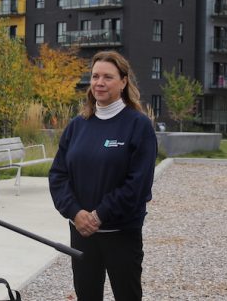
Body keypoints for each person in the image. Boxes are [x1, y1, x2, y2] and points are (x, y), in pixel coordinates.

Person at [48, 50, 157, 301]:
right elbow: (58, 175)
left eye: (108, 77)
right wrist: (75, 212)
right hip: (81, 233)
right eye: (95, 76)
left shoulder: (138, 125)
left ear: (123, 82)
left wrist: (99, 215)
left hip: (121, 235)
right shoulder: (78, 125)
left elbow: (138, 185)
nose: (99, 82)